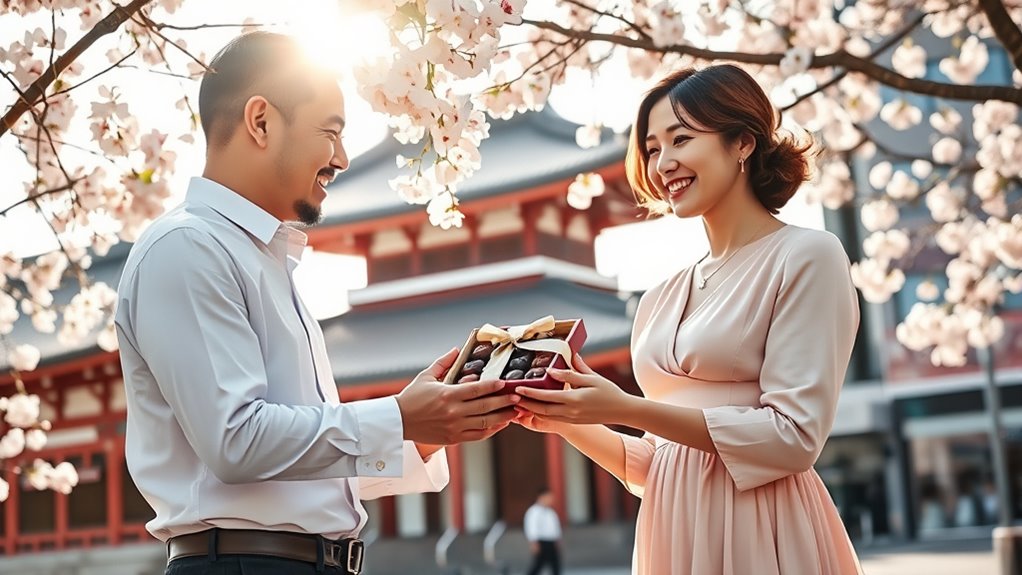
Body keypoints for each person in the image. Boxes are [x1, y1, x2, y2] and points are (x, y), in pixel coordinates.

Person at [114, 31, 518, 575]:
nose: (343, 158)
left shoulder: (264, 257)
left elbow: (291, 468)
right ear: (261, 122)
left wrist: (417, 434)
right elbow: (236, 442)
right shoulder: (187, 247)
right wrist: (397, 416)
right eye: (330, 132)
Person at [513, 64, 863, 574]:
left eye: (680, 140)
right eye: (653, 148)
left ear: (742, 142)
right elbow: (654, 464)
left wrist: (627, 407)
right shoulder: (660, 295)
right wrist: (569, 419)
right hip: (670, 527)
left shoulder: (808, 255)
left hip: (760, 523)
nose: (662, 164)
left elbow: (794, 438)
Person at [523, 488, 563, 575]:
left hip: (551, 541)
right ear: (541, 497)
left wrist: (557, 539)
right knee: (538, 565)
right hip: (541, 541)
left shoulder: (551, 512)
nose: (551, 499)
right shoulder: (533, 511)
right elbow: (531, 527)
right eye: (549, 497)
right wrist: (533, 542)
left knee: (555, 565)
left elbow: (555, 527)